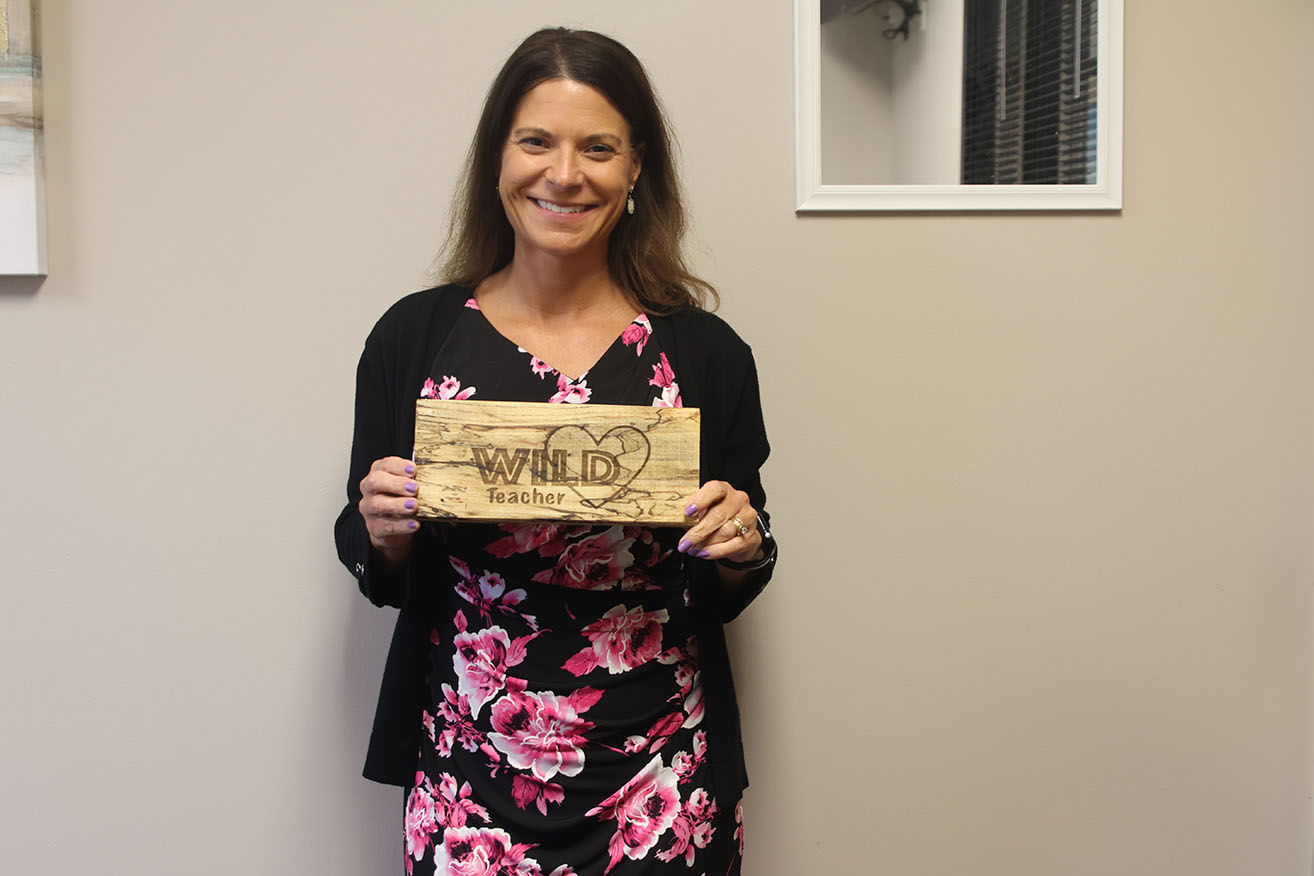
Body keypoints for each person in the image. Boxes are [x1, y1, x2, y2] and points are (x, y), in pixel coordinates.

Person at [334, 27, 777, 876]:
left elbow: (741, 572)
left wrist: (740, 544)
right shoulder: (414, 340)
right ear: (497, 158)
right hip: (469, 776)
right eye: (536, 140)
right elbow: (370, 559)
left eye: (598, 147)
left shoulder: (706, 355)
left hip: (662, 776)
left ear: (636, 166)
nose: (564, 173)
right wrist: (381, 531)